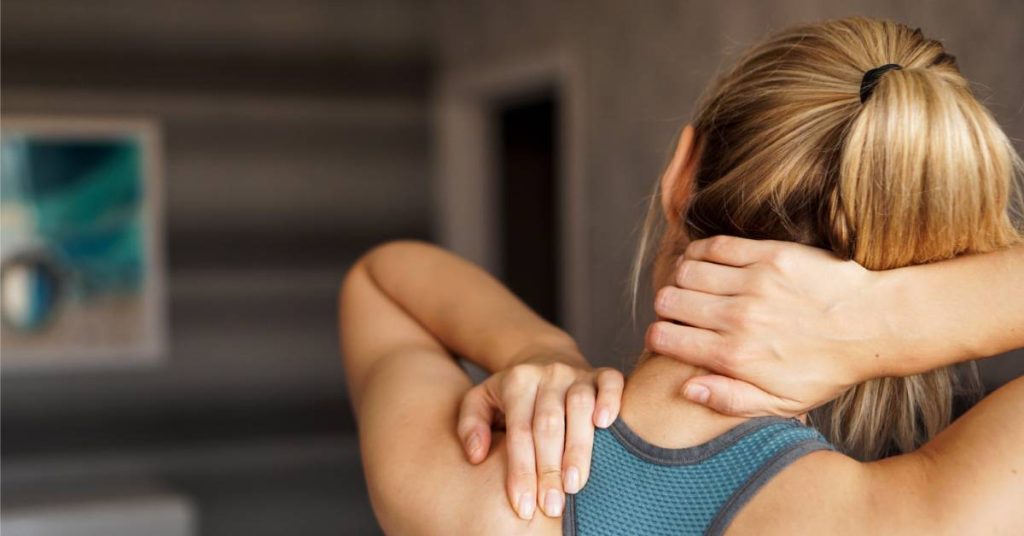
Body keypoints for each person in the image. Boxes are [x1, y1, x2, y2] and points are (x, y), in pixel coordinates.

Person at [339, 17, 1024, 534]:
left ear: (681, 174)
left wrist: (534, 349)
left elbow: (382, 279)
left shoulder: (475, 489)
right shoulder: (918, 515)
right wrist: (889, 318)